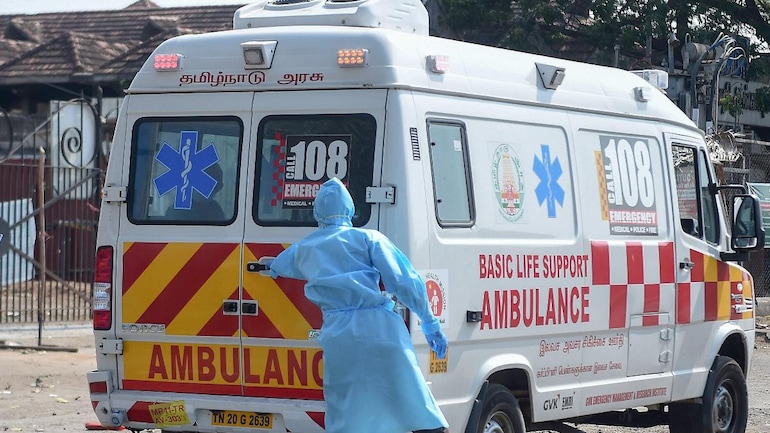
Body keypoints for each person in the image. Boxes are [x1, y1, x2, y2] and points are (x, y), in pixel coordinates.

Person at [268, 177, 449, 433]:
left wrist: (269, 267)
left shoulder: (304, 248)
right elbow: (405, 281)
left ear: (317, 211)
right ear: (350, 208)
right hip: (381, 330)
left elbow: (277, 265)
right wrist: (429, 321)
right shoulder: (369, 239)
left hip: (339, 336)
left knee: (349, 415)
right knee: (416, 405)